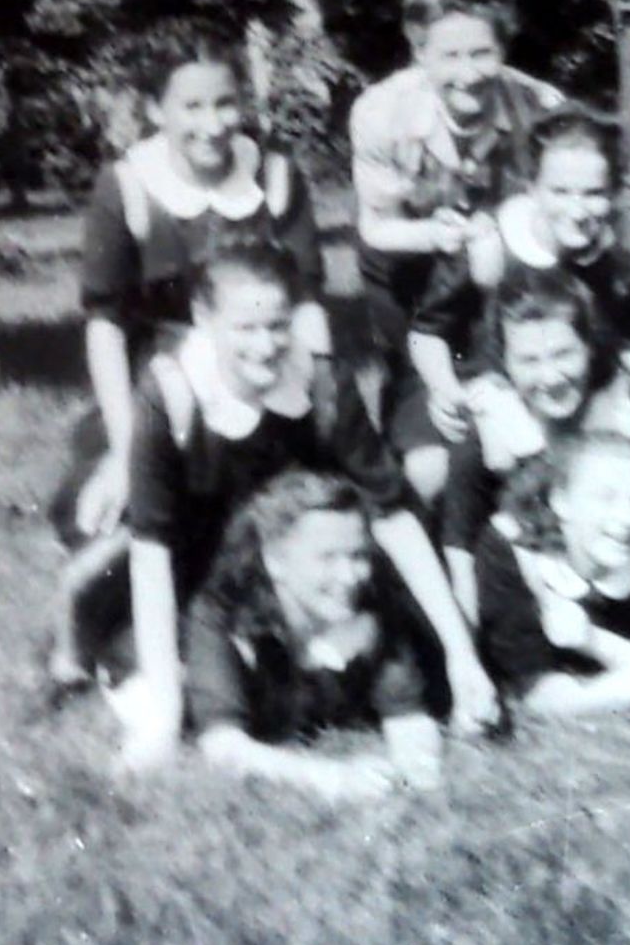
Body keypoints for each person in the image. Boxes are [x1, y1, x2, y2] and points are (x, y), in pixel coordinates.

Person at [114, 243, 498, 768]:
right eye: (245, 329)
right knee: (182, 703)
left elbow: (393, 513)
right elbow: (151, 547)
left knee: (427, 665)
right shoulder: (172, 393)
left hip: (307, 571)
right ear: (203, 318)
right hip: (202, 581)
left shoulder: (321, 385)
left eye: (277, 325)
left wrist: (461, 652)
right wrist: (162, 710)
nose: (265, 345)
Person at [47, 32, 331, 692]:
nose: (213, 124)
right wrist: (124, 451)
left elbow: (309, 305)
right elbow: (107, 330)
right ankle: (101, 621)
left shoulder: (276, 177)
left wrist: (321, 398)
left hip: (263, 374)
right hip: (158, 389)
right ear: (155, 110)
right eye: (192, 107)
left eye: (226, 104)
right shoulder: (127, 187)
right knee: (110, 506)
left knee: (295, 505)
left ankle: (240, 622)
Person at [349, 0, 562, 505]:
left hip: (510, 285)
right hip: (412, 279)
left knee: (537, 438)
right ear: (420, 54)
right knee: (430, 462)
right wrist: (433, 235)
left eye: (482, 53)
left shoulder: (543, 110)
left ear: (504, 49)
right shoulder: (380, 113)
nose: (467, 73)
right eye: (449, 56)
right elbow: (376, 229)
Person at [438, 268, 630, 655]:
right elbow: (459, 546)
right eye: (529, 361)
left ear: (590, 346)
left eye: (564, 353)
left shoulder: (626, 407)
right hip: (539, 577)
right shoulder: (493, 423)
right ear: (504, 364)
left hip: (624, 569)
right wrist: (467, 655)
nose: (551, 376)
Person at [183, 470, 444, 801]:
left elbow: (407, 715)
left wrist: (415, 770)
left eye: (358, 555)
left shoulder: (372, 602)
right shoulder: (220, 612)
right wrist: (328, 777)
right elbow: (221, 746)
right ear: (275, 560)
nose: (350, 576)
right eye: (328, 558)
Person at [409, 105, 630, 430]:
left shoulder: (628, 256)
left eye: (593, 193)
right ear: (532, 187)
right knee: (439, 469)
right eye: (560, 192)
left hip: (587, 393)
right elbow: (426, 332)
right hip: (494, 392)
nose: (577, 211)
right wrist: (444, 390)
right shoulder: (491, 245)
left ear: (614, 193)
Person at [475, 433, 630, 720]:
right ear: (561, 502)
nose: (627, 518)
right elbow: (539, 695)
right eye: (606, 498)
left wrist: (590, 640)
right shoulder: (514, 554)